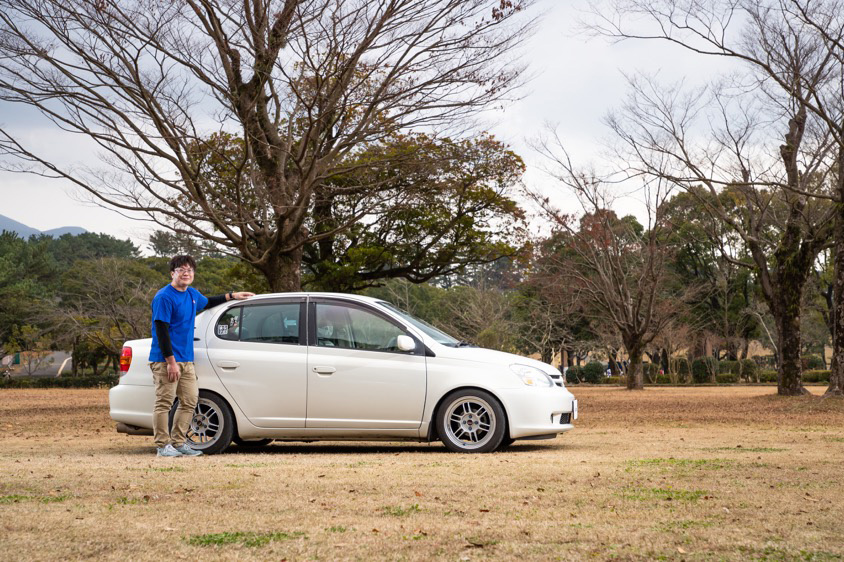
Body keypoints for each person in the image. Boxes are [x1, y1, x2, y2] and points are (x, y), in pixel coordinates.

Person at [149, 255, 255, 457]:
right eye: (181, 270)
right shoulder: (164, 297)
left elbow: (208, 302)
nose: (186, 273)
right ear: (173, 273)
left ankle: (179, 443)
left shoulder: (192, 294)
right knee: (164, 403)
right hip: (166, 360)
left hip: (186, 359)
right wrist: (171, 362)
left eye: (189, 270)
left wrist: (232, 295)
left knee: (189, 400)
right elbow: (161, 331)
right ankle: (163, 446)